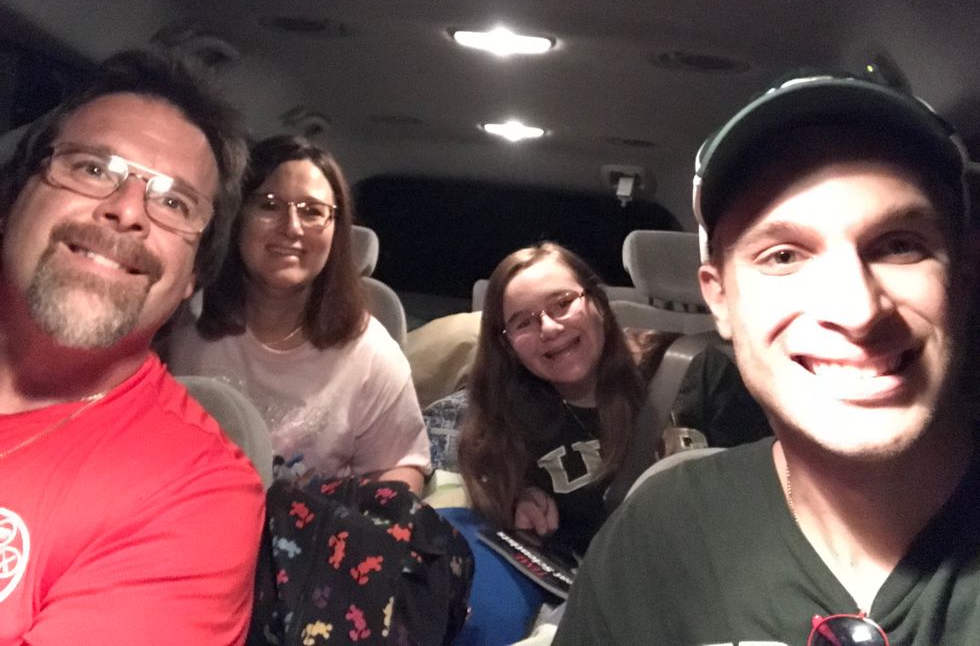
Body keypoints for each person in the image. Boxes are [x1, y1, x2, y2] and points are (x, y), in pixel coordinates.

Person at [554, 72, 980, 645]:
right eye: (783, 256)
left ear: (965, 276)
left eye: (899, 245)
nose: (857, 311)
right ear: (720, 300)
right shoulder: (655, 540)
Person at [0, 49, 264, 644]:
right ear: (15, 197)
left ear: (193, 275)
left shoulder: (199, 494)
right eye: (94, 169)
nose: (126, 211)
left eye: (174, 203)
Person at [166, 134, 429, 493]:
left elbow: (402, 466)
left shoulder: (371, 354)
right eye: (269, 205)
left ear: (336, 231)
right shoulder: (180, 325)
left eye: (312, 211)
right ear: (238, 216)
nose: (292, 227)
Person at [458, 242, 671, 556]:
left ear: (597, 302)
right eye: (523, 322)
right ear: (507, 347)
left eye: (562, 303)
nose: (549, 328)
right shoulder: (510, 427)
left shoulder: (691, 370)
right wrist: (517, 507)